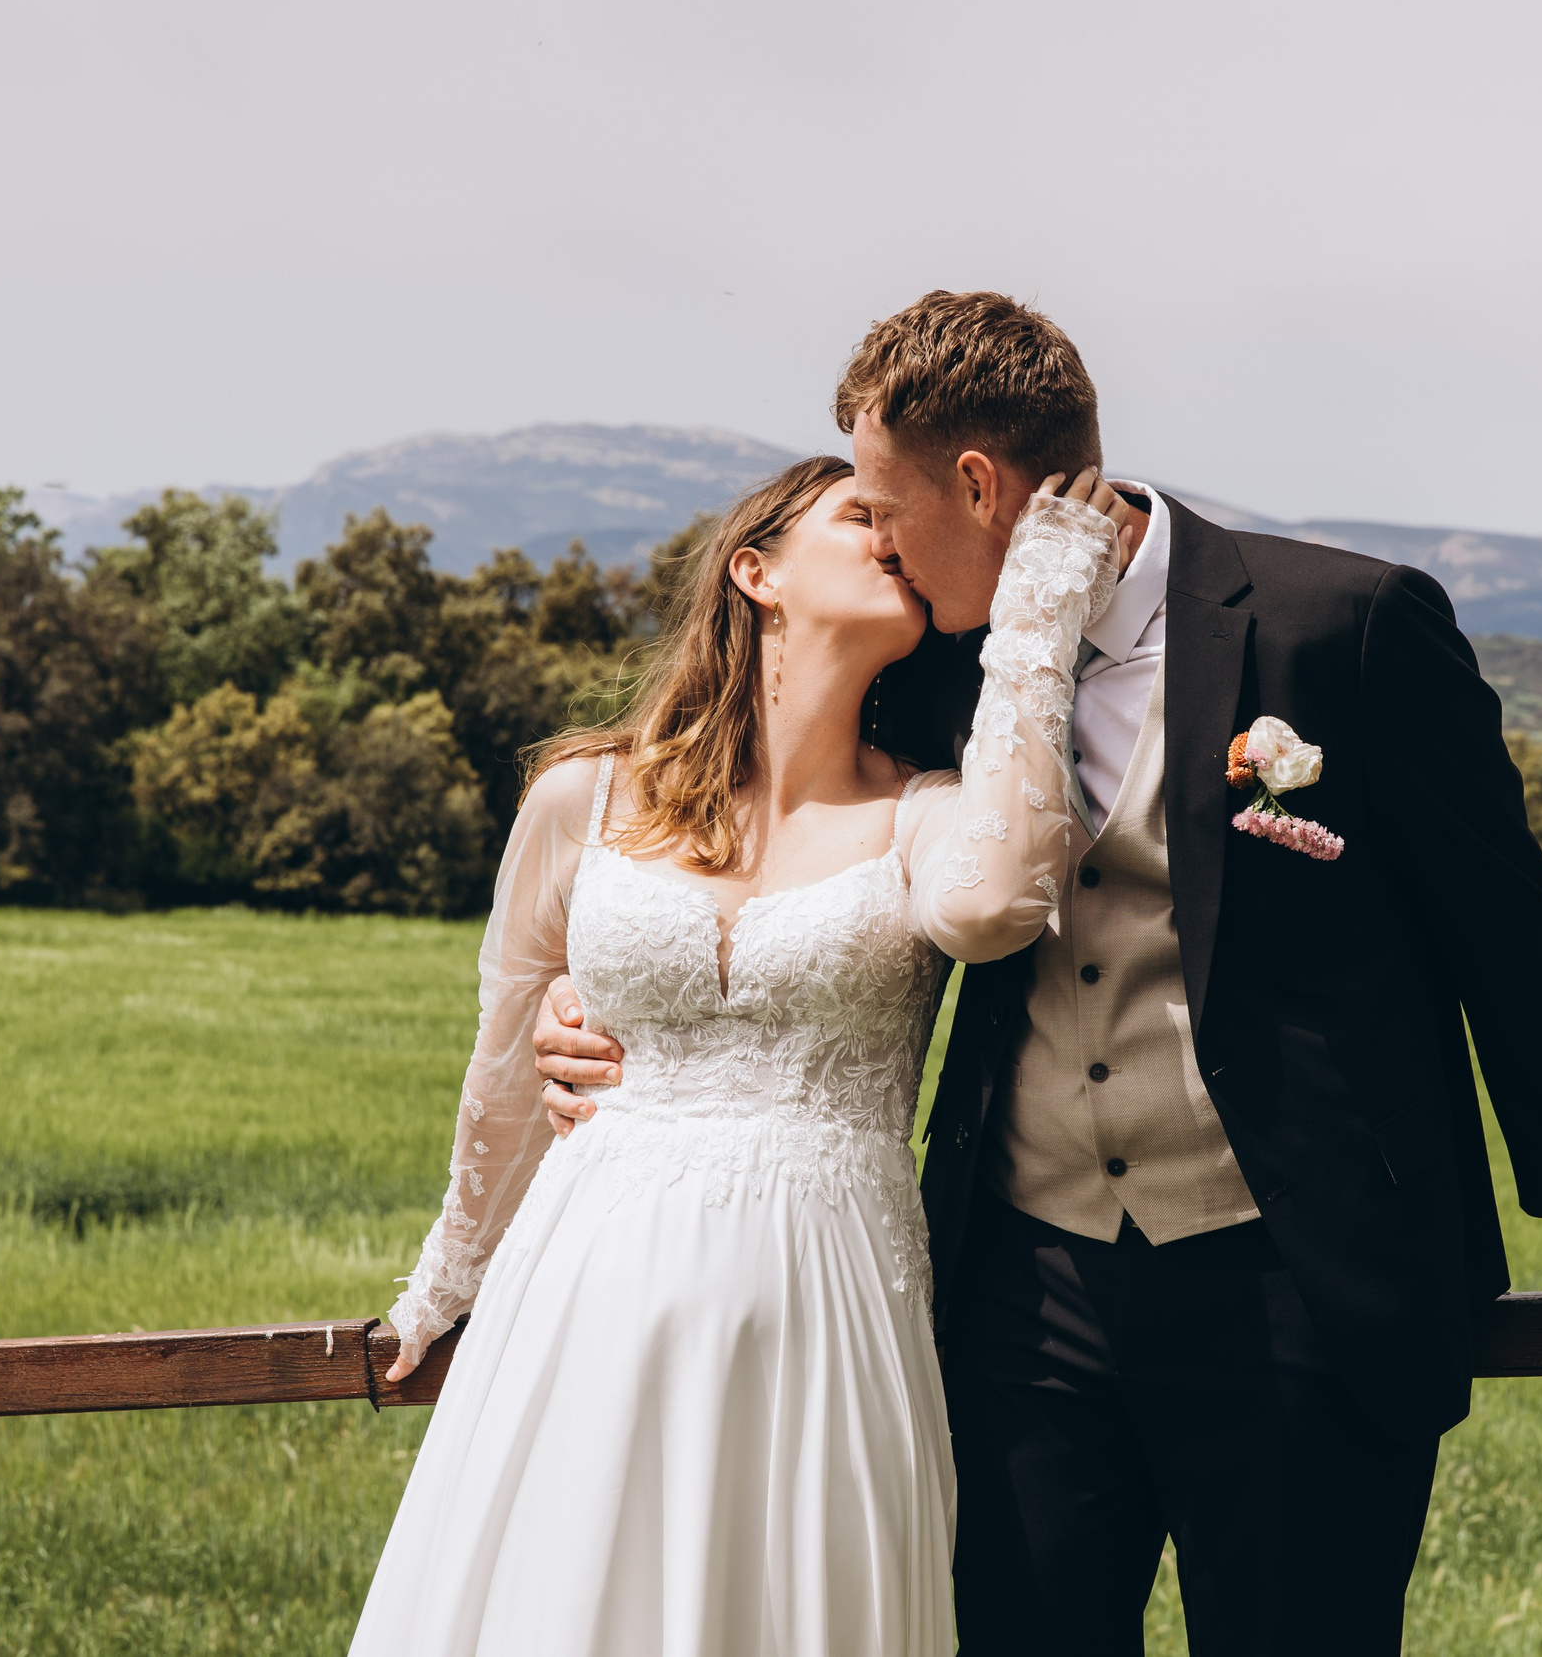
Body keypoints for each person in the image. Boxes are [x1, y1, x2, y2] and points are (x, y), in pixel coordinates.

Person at [536, 290, 1542, 1654]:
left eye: (887, 507)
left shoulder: (1345, 625)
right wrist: (615, 1009)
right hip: (1025, 1291)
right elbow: (779, 835)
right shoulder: (930, 666)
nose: (886, 549)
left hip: (1295, 1289)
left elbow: (1498, 924)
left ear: (978, 483)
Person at [349, 452, 1145, 1656]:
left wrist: (1033, 619)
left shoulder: (925, 813)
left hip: (823, 1311)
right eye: (856, 514)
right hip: (584, 1298)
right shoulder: (584, 799)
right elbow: (507, 1064)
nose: (891, 532)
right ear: (754, 571)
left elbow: (993, 909)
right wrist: (441, 1289)